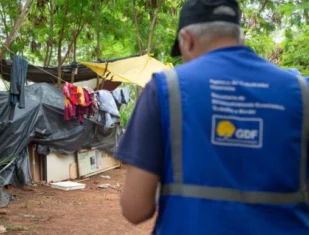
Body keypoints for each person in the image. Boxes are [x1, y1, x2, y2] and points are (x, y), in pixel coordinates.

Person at [115, 0, 309, 234]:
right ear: (241, 39)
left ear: (187, 40)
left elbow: (136, 209)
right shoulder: (301, 92)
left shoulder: (165, 88)